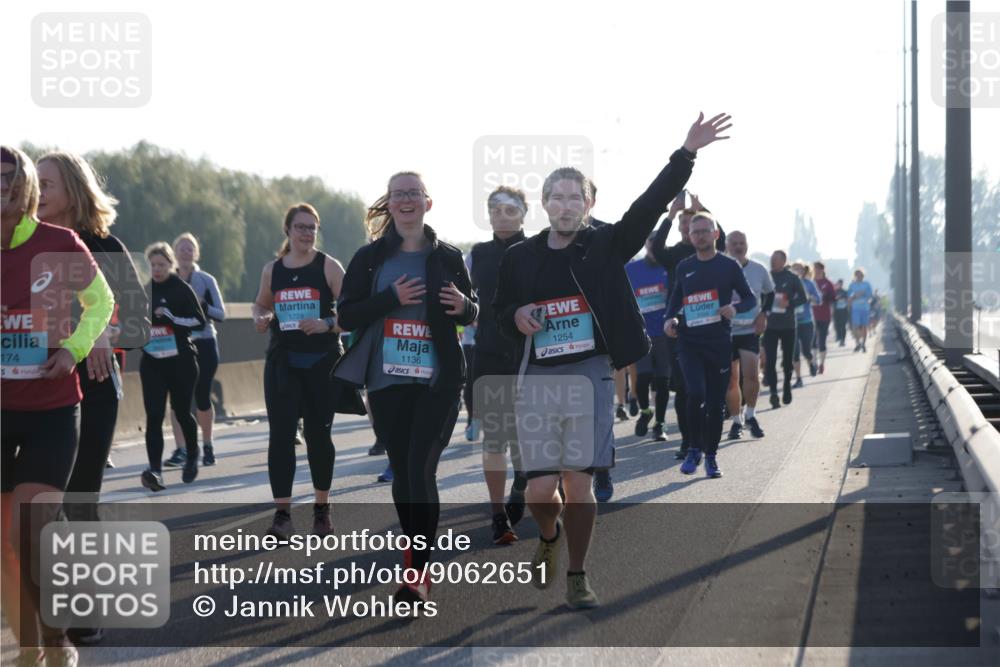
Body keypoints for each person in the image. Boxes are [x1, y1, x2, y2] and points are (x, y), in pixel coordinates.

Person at [494, 112, 731, 609]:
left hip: (589, 373)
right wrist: (517, 315)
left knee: (579, 484)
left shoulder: (605, 244)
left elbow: (646, 207)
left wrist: (685, 153)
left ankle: (578, 574)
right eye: (556, 198)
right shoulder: (520, 257)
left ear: (589, 203)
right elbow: (499, 313)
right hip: (537, 375)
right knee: (540, 493)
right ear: (544, 204)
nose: (564, 206)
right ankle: (550, 537)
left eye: (574, 198)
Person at [334, 172, 478, 604]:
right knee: (402, 470)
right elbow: (346, 316)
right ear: (390, 204)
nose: (407, 200)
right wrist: (390, 298)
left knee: (421, 470)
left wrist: (465, 306)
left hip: (438, 381)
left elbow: (469, 311)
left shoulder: (450, 256)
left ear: (427, 203)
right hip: (386, 381)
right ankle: (413, 555)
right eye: (399, 195)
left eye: (414, 193)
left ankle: (417, 572)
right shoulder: (369, 259)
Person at [2, 145, 115, 667]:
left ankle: (60, 636)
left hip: (60, 401)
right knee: (9, 542)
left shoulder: (69, 243)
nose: (4, 187)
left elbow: (110, 306)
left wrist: (75, 348)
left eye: (13, 179)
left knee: (39, 524)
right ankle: (32, 640)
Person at [36, 151, 150, 646]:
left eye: (47, 184)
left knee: (79, 498)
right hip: (29, 388)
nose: (37, 192)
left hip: (93, 388)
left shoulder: (104, 247)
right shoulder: (16, 246)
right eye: (32, 183)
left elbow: (141, 323)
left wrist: (102, 332)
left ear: (74, 191)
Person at [252, 203, 356, 539]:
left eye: (312, 227)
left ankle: (322, 509)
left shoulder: (329, 266)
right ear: (288, 230)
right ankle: (282, 516)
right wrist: (260, 317)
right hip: (283, 361)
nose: (307, 233)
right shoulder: (273, 270)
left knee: (317, 435)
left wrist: (326, 323)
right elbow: (261, 303)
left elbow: (352, 313)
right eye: (300, 227)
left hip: (321, 361)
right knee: (280, 437)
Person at [664, 212, 756, 477]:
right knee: (695, 393)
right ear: (689, 236)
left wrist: (733, 307)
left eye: (705, 231)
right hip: (689, 342)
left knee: (716, 404)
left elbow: (749, 299)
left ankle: (712, 457)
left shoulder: (728, 266)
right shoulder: (684, 266)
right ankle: (694, 448)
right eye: (695, 232)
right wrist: (669, 319)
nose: (700, 236)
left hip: (717, 343)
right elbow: (674, 300)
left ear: (716, 234)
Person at [468, 186, 529, 544]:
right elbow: (465, 300)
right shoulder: (478, 254)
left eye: (510, 210)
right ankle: (497, 515)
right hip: (489, 355)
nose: (502, 216)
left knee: (527, 437)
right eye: (496, 210)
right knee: (495, 440)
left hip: (529, 357)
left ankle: (521, 486)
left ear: (523, 213)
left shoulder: (537, 251)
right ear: (488, 215)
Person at [649, 193, 727, 459]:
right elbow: (656, 247)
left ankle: (706, 436)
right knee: (684, 388)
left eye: (692, 223)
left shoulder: (710, 251)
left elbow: (723, 239)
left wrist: (701, 207)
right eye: (683, 224)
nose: (687, 228)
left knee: (708, 385)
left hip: (712, 326)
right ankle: (688, 440)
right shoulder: (674, 255)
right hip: (681, 328)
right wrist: (670, 215)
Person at [139, 242, 206, 491]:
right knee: (154, 416)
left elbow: (199, 321)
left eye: (162, 265)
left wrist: (171, 318)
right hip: (153, 363)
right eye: (153, 265)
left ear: (171, 264)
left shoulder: (181, 289)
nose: (157, 269)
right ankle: (155, 470)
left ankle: (192, 454)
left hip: (182, 362)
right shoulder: (144, 291)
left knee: (181, 411)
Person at [166, 233, 226, 468]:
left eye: (190, 248)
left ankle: (208, 445)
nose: (185, 252)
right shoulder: (166, 281)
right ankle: (181, 449)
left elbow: (221, 314)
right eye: (181, 248)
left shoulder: (206, 280)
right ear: (174, 252)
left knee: (201, 395)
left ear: (196, 253)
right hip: (176, 345)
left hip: (204, 342)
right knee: (176, 398)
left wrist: (203, 306)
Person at [723, 230, 773, 440]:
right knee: (731, 380)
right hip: (725, 331)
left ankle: (750, 415)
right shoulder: (720, 268)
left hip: (750, 330)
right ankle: (736, 421)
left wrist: (764, 314)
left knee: (751, 375)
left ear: (747, 245)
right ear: (727, 245)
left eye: (742, 242)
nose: (738, 246)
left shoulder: (759, 269)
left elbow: (769, 294)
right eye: (734, 243)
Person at [626, 234, 672, 443]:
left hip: (665, 334)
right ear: (645, 245)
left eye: (658, 244)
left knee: (662, 382)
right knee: (643, 379)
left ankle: (660, 425)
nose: (654, 248)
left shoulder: (669, 267)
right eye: (650, 244)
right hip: (640, 334)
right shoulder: (631, 270)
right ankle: (645, 411)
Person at [763, 250, 807, 408]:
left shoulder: (792, 278)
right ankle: (774, 392)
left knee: (787, 360)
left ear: (783, 261)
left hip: (788, 325)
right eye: (771, 259)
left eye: (776, 259)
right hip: (770, 325)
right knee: (770, 360)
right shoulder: (766, 276)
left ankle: (787, 385)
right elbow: (758, 295)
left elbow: (803, 298)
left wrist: (789, 304)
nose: (772, 262)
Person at [790, 261, 819, 387]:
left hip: (806, 321)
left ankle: (811, 363)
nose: (797, 271)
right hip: (791, 322)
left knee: (806, 350)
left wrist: (809, 298)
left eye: (799, 269)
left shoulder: (809, 283)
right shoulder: (787, 284)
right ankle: (798, 379)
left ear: (804, 271)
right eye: (794, 268)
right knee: (794, 352)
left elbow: (818, 300)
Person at [811, 261, 837, 373]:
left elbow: (833, 299)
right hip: (812, 316)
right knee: (812, 341)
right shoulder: (810, 282)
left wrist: (825, 297)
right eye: (815, 268)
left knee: (822, 341)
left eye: (819, 268)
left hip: (825, 315)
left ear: (822, 270)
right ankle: (814, 362)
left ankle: (822, 364)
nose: (817, 271)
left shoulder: (828, 283)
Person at [847, 269, 873, 352]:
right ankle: (857, 343)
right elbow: (849, 297)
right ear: (855, 276)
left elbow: (870, 296)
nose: (859, 277)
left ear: (863, 276)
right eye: (857, 275)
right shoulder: (852, 285)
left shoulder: (867, 284)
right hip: (855, 308)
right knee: (856, 326)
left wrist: (863, 294)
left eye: (861, 275)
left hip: (865, 308)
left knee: (864, 326)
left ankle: (863, 344)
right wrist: (855, 296)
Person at [832, 278, 849, 346]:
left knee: (843, 325)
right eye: (839, 283)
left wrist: (844, 298)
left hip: (844, 311)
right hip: (836, 310)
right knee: (836, 325)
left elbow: (848, 299)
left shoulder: (845, 292)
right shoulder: (834, 291)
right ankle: (838, 336)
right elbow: (832, 300)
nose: (840, 285)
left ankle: (842, 340)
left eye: (841, 283)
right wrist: (836, 298)